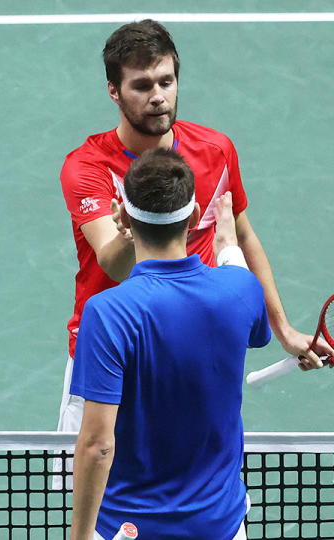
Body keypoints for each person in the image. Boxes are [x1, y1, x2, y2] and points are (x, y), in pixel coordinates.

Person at [58, 19, 331, 432]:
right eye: (142, 85)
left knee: (199, 482)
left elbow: (243, 234)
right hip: (111, 354)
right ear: (113, 91)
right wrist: (132, 228)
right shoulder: (88, 167)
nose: (158, 97)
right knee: (87, 489)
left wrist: (284, 329)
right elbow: (114, 265)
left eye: (166, 82)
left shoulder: (215, 150)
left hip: (192, 351)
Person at [69, 149, 295, 540]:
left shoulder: (107, 313)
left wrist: (80, 537)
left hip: (129, 528)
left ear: (119, 215)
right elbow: (256, 327)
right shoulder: (240, 289)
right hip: (220, 528)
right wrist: (227, 247)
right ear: (193, 218)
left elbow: (97, 445)